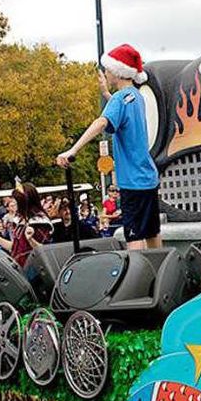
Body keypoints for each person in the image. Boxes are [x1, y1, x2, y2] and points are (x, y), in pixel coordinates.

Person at [57, 44, 162, 250]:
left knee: (134, 237)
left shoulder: (119, 99)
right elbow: (122, 113)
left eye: (107, 69)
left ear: (117, 71)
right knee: (151, 232)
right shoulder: (136, 96)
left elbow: (102, 122)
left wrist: (73, 149)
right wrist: (106, 93)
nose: (105, 72)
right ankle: (163, 272)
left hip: (132, 181)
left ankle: (140, 280)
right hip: (148, 178)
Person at [0, 183, 53, 267]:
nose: (13, 203)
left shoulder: (40, 222)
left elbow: (45, 251)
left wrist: (30, 239)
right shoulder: (19, 221)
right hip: (19, 267)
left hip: (35, 270)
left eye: (16, 200)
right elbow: (14, 247)